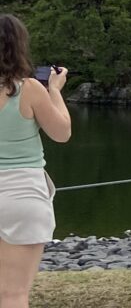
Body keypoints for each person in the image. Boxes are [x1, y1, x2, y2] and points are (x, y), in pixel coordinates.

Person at [0, 15, 71, 308]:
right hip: (23, 196)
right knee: (14, 294)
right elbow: (61, 133)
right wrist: (54, 90)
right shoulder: (28, 88)